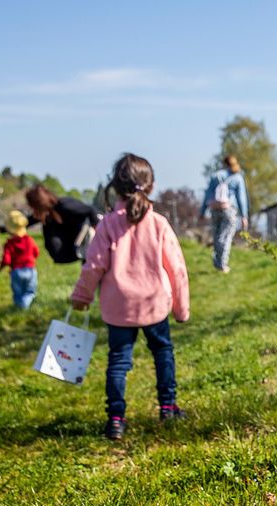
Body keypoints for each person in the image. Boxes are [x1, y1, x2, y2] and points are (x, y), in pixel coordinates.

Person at [70, 153, 190, 441]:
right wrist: (181, 309)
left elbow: (93, 264)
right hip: (154, 304)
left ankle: (115, 418)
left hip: (119, 307)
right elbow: (177, 268)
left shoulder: (108, 224)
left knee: (119, 361)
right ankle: (168, 406)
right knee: (163, 353)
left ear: (116, 186)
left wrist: (82, 295)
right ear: (151, 185)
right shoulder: (159, 223)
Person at [24, 183, 102, 265]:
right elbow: (28, 221)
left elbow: (91, 211)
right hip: (76, 245)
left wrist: (99, 236)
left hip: (91, 239)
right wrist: (13, 226)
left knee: (91, 270)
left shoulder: (65, 205)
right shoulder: (48, 215)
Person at [199, 154, 249, 272]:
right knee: (226, 237)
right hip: (229, 210)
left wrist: (202, 211)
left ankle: (217, 261)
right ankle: (222, 264)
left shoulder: (215, 176)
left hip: (214, 209)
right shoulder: (237, 177)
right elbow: (241, 198)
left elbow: (208, 194)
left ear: (224, 163)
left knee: (217, 236)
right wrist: (244, 215)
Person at [0, 209, 39, 309]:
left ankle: (20, 307)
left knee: (17, 293)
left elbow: (7, 259)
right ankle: (24, 306)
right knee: (29, 292)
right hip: (31, 270)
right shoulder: (29, 240)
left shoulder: (9, 243)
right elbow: (36, 252)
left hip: (16, 272)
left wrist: (2, 265)